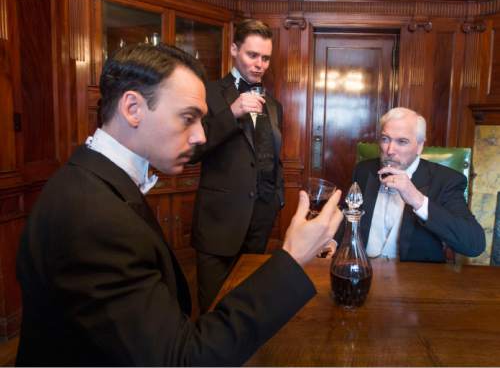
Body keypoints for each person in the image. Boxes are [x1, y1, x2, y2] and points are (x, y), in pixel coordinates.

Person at [16, 43, 344, 366]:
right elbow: (182, 359)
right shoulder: (93, 218)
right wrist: (293, 256)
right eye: (188, 118)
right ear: (132, 108)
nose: (201, 136)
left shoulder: (93, 181)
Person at [190, 19, 285, 313]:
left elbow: (271, 157)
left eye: (265, 58)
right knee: (213, 307)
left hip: (260, 218)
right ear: (234, 49)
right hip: (219, 222)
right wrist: (232, 113)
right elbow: (192, 150)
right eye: (252, 55)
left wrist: (277, 198)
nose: (259, 64)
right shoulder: (206, 92)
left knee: (247, 302)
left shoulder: (274, 104)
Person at [346, 107, 485, 262]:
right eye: (385, 139)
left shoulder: (446, 181)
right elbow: (347, 214)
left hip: (413, 279)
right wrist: (331, 242)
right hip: (362, 269)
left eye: (402, 141)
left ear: (419, 146)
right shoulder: (364, 170)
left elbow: (475, 245)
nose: (390, 150)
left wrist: (417, 199)